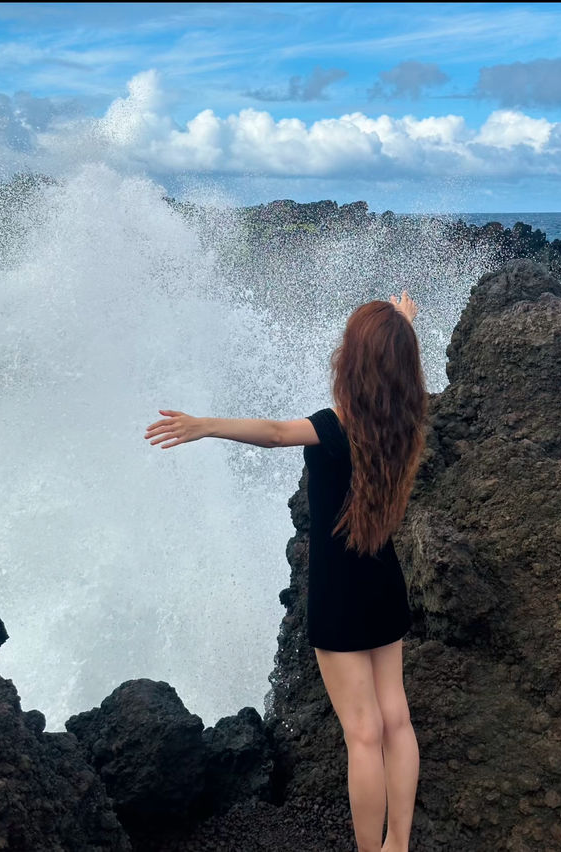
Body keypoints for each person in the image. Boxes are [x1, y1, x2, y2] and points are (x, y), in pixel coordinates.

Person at [144, 291, 426, 852]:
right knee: (397, 720)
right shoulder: (407, 418)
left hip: (339, 601)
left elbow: (274, 433)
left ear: (352, 361)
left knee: (363, 735)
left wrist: (206, 425)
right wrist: (402, 324)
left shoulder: (333, 426)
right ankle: (399, 844)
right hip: (384, 589)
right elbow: (396, 368)